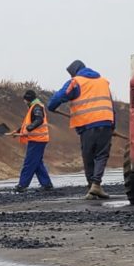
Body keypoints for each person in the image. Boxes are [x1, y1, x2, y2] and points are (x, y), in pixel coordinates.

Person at [48, 60, 115, 200]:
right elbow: (110, 103)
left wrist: (52, 107)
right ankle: (95, 185)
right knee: (102, 155)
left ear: (74, 71)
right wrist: (112, 124)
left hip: (88, 125)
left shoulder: (76, 81)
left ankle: (93, 186)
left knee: (88, 156)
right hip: (106, 122)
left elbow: (59, 97)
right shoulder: (103, 81)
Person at [11, 89, 54, 193]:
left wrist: (28, 129)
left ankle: (22, 185)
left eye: (25, 100)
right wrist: (18, 131)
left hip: (37, 139)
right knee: (37, 163)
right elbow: (29, 123)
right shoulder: (34, 107)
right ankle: (46, 184)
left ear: (27, 99)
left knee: (29, 162)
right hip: (38, 139)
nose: (24, 102)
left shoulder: (36, 107)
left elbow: (38, 120)